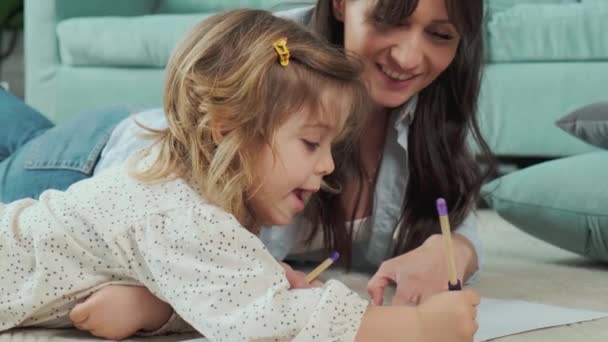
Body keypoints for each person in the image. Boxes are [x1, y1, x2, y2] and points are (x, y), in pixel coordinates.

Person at [0, 9, 480, 342]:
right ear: (225, 132)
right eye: (312, 143)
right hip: (75, 156)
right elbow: (264, 321)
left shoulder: (192, 190)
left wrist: (158, 308)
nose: (330, 165)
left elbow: (217, 293)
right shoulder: (176, 210)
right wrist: (416, 331)